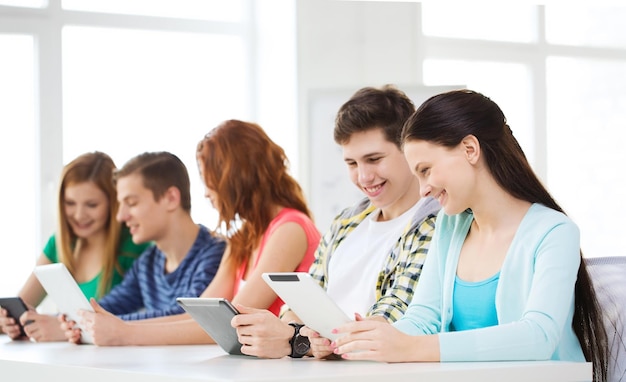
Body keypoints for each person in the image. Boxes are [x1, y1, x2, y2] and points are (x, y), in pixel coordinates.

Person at [330, 89, 609, 382]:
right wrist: (376, 336)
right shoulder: (449, 227)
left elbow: (539, 335)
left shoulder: (554, 232)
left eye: (426, 170)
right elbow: (423, 318)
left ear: (470, 149)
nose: (423, 189)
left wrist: (410, 346)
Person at [63, 120, 321, 346]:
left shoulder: (289, 229)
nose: (207, 192)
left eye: (209, 179)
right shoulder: (243, 239)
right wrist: (117, 327)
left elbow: (231, 323)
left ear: (235, 177)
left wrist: (126, 333)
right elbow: (202, 316)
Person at [230, 85, 441, 359]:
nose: (364, 177)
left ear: (409, 150)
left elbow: (390, 321)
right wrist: (292, 334)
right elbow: (298, 305)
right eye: (352, 164)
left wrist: (294, 340)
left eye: (374, 159)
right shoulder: (346, 222)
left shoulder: (434, 224)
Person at [62, 151, 226, 344]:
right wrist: (80, 321)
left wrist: (105, 325)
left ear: (171, 198)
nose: (120, 216)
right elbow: (109, 305)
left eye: (131, 203)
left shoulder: (215, 254)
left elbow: (187, 318)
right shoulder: (148, 262)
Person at [0, 151, 150, 342]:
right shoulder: (60, 244)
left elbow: (142, 321)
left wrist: (64, 329)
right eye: (70, 203)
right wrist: (8, 323)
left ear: (112, 203)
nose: (79, 215)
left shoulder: (135, 246)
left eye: (91, 205)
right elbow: (21, 305)